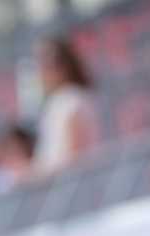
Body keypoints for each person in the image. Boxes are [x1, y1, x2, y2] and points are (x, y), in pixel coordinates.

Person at [32, 36, 99, 176]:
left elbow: (74, 159)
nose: (41, 73)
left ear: (63, 67)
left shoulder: (72, 101)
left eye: (46, 66)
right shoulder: (58, 102)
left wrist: (35, 175)